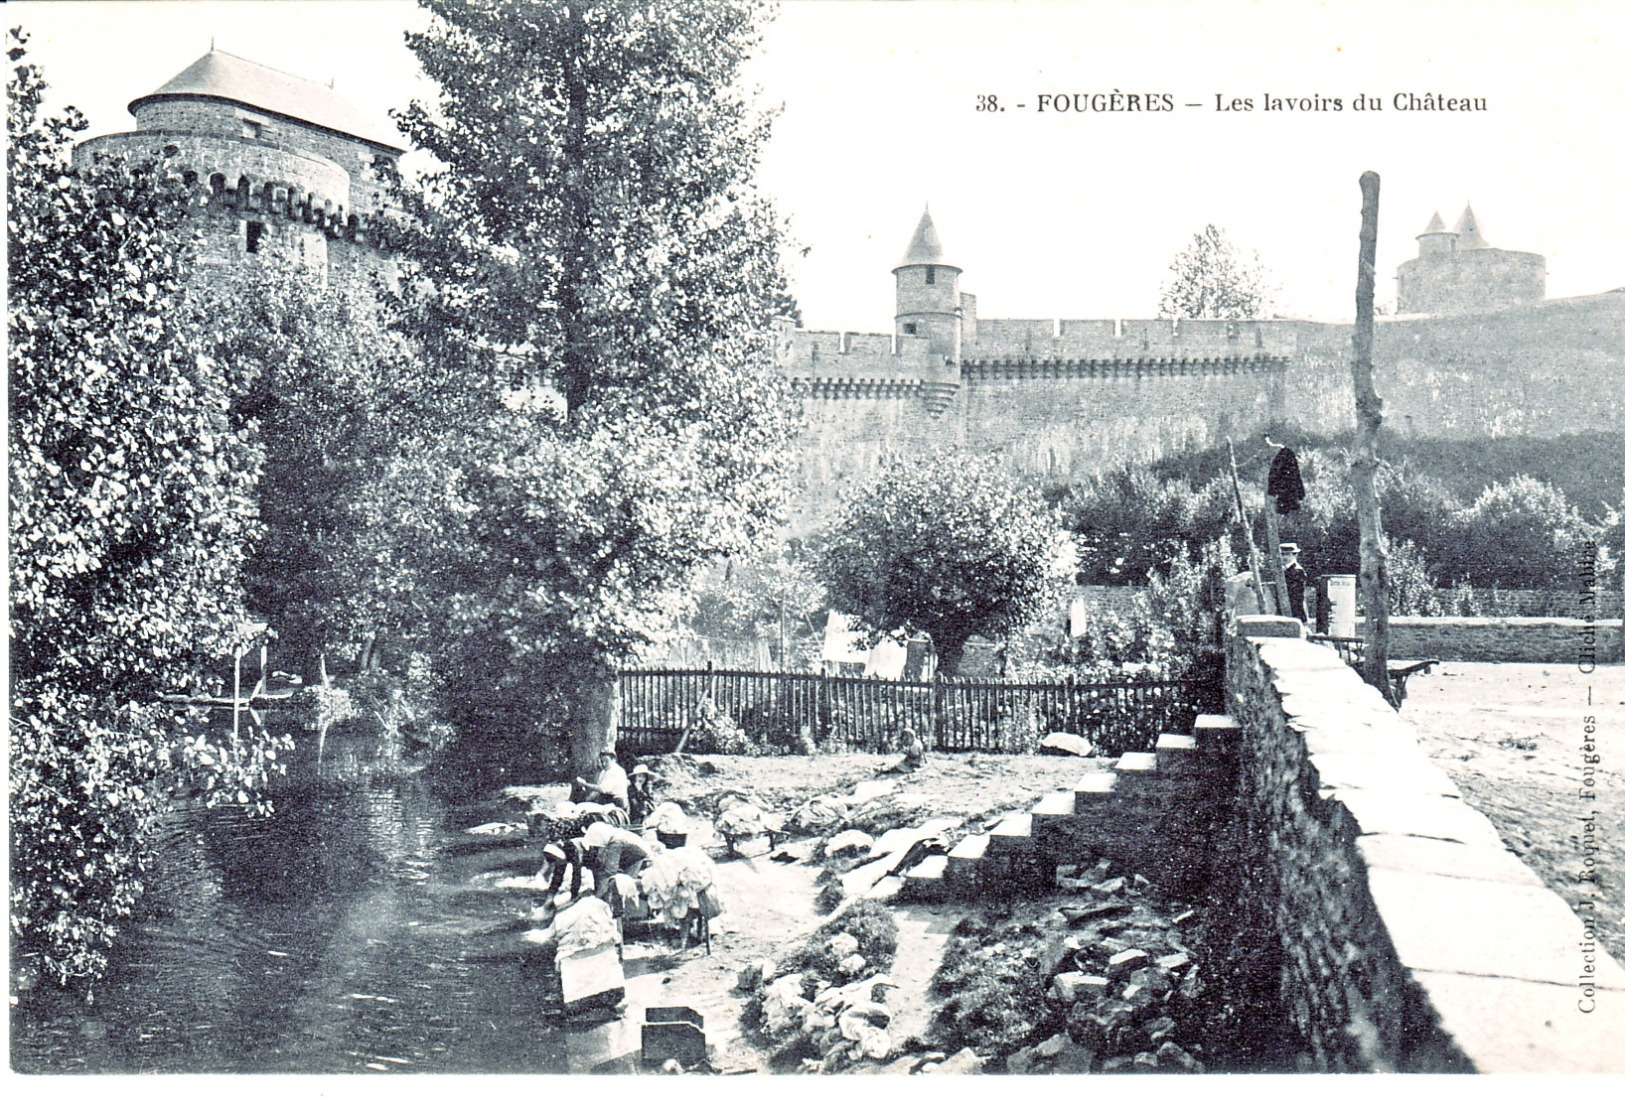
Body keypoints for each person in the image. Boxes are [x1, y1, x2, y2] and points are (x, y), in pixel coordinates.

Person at [571, 746, 631, 816]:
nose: (604, 764)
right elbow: (598, 789)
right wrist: (587, 799)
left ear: (613, 759)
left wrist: (585, 784)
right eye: (602, 761)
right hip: (607, 800)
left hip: (617, 802)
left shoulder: (615, 771)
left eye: (606, 761)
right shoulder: (604, 772)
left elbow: (602, 789)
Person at [1280, 543, 1308, 624]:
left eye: (1288, 554)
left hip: (1294, 610)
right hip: (1284, 608)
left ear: (1295, 555)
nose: (1284, 557)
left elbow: (1296, 595)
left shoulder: (1297, 570)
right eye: (1282, 554)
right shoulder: (1283, 570)